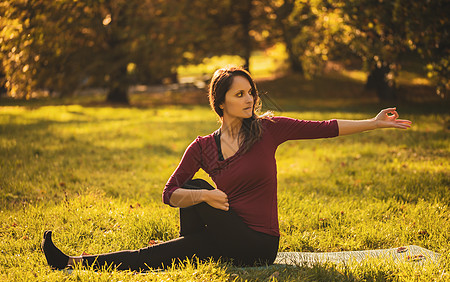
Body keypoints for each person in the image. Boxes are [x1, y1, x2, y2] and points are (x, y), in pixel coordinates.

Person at [42, 67, 412, 271]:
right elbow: (169, 194)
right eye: (240, 94)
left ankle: (79, 263)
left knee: (181, 241)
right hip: (225, 232)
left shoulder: (269, 129)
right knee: (193, 194)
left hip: (258, 243)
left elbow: (326, 127)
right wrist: (203, 194)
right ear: (219, 103)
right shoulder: (203, 146)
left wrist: (374, 122)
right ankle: (75, 263)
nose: (250, 98)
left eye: (251, 92)